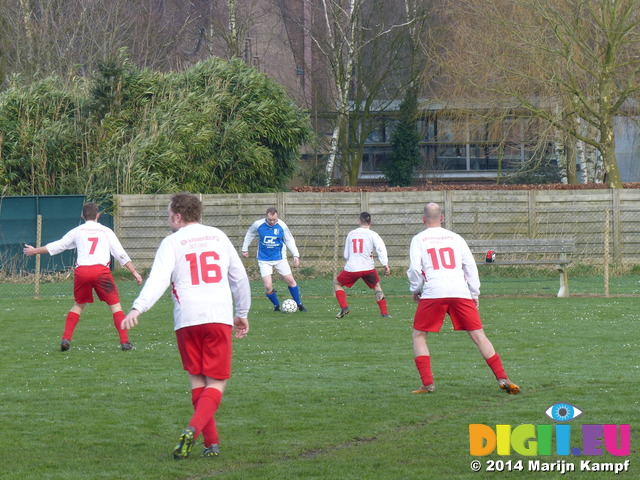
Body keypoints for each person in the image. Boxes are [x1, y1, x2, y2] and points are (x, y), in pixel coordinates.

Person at [121, 192, 251, 459]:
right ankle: (193, 429)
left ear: (178, 216)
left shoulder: (172, 242)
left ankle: (210, 443)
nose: (168, 220)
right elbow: (239, 277)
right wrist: (243, 312)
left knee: (197, 379)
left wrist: (138, 307)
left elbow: (157, 279)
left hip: (187, 320)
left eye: (169, 215)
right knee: (217, 382)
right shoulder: (219, 236)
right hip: (217, 316)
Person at [407, 202, 520, 395]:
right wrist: (474, 292)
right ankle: (503, 377)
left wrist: (416, 289)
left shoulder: (418, 239)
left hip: (434, 291)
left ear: (423, 219)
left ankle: (428, 384)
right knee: (479, 336)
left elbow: (415, 269)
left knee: (419, 335)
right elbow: (469, 266)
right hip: (460, 291)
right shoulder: (456, 238)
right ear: (441, 218)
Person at [23, 202, 142, 351]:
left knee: (78, 305)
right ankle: (125, 342)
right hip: (101, 272)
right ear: (98, 215)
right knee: (115, 306)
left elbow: (58, 245)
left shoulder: (77, 231)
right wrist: (134, 272)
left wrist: (35, 251)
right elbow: (120, 253)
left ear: (82, 216)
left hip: (82, 272)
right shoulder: (106, 231)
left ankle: (66, 339)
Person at [241, 207, 306, 312]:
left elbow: (289, 240)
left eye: (274, 220)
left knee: (290, 280)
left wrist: (295, 255)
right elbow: (250, 234)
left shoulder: (282, 226)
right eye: (270, 219)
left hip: (280, 258)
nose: (272, 222)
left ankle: (299, 304)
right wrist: (245, 248)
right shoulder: (258, 224)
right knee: (268, 286)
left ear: (277, 217)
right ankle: (276, 305)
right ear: (266, 216)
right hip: (264, 259)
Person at [334, 212, 390, 318]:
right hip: (368, 268)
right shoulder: (373, 234)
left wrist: (351, 260)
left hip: (352, 268)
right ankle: (384, 314)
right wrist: (385, 264)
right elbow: (381, 249)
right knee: (377, 286)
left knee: (337, 284)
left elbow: (346, 254)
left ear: (359, 221)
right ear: (371, 222)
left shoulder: (351, 233)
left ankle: (344, 307)